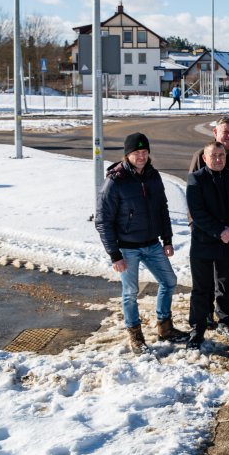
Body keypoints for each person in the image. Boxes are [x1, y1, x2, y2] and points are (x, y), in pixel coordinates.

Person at [95, 132, 186, 354]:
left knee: (169, 281)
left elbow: (162, 209)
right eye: (137, 152)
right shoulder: (115, 181)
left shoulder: (153, 176)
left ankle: (165, 327)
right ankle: (135, 335)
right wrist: (114, 254)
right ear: (127, 154)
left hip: (152, 244)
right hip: (127, 248)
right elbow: (102, 220)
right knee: (130, 292)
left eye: (144, 152)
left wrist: (167, 239)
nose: (141, 156)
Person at [188, 115, 229, 325]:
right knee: (207, 277)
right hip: (207, 231)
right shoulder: (202, 155)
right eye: (226, 132)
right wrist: (196, 225)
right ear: (216, 133)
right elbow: (194, 198)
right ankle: (207, 312)